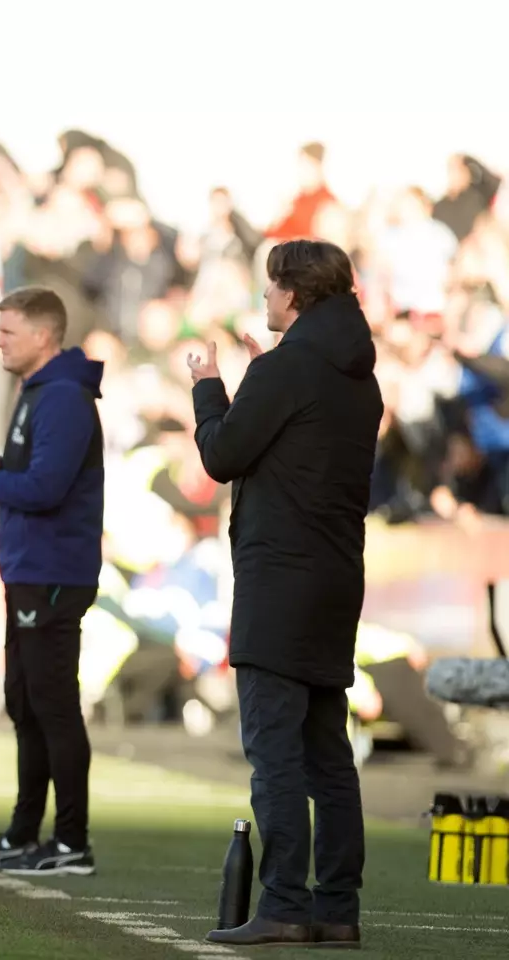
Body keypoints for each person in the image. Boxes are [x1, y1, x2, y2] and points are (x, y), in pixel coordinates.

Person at [187, 239, 381, 949]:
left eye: (272, 289)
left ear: (293, 295)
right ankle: (337, 906)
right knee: (328, 753)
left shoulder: (284, 369)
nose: (265, 299)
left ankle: (284, 902)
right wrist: (260, 372)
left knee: (276, 752)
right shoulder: (360, 375)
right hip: (336, 577)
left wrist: (210, 383)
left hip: (278, 579)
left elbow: (221, 454)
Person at [0, 287, 105, 877]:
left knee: (52, 705)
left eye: (8, 332)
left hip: (54, 572)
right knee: (26, 702)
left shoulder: (61, 397)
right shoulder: (43, 391)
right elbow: (31, 478)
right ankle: (24, 833)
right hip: (33, 570)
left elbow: (45, 490)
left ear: (43, 335)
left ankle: (70, 841)